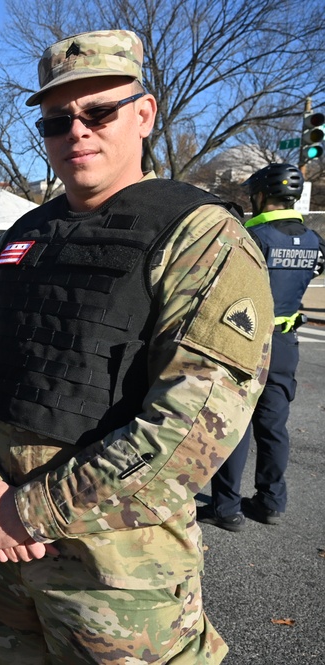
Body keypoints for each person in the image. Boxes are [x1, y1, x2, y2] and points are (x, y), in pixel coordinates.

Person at [0, 30, 273, 664]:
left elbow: (190, 430)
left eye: (100, 111)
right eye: (57, 120)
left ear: (144, 114)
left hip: (119, 583)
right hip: (3, 565)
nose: (78, 132)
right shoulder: (25, 234)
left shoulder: (201, 237)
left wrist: (31, 512)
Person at [200, 164, 325, 531]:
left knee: (236, 423)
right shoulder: (314, 239)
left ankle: (226, 507)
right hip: (286, 341)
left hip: (247, 340)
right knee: (273, 424)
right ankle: (271, 501)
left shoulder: (252, 237)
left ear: (261, 196)